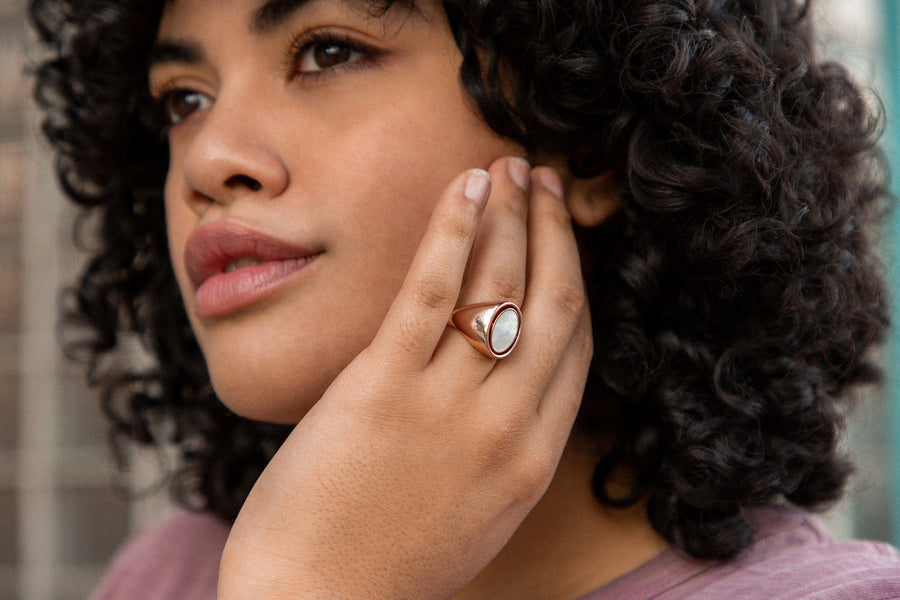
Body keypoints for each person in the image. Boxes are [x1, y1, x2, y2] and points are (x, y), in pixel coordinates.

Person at [28, 0, 900, 598]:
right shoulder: (177, 572)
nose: (210, 157)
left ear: (585, 137)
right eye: (183, 99)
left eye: (330, 50)